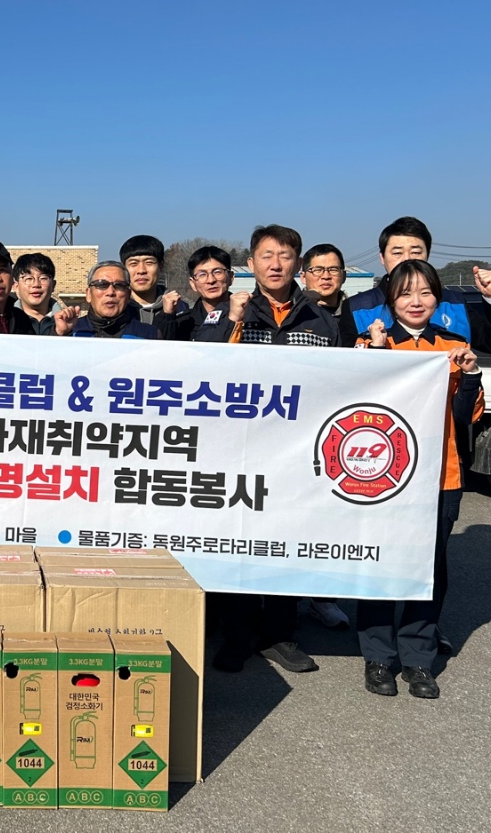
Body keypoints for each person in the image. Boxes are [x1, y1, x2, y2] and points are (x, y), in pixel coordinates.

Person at [356, 260, 483, 700]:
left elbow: (465, 417)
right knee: (378, 561)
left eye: (425, 292)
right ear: (390, 299)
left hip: (440, 475)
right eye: (405, 292)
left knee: (428, 568)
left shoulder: (453, 346)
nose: (416, 301)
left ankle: (418, 658)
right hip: (381, 476)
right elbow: (357, 403)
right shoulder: (372, 343)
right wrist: (374, 356)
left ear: (437, 299)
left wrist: (470, 375)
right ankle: (377, 655)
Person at [216, 224, 340, 676]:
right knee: (237, 543)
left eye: (285, 256)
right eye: (266, 256)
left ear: (298, 264)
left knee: (287, 543)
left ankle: (280, 635)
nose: (275, 264)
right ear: (250, 264)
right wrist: (231, 322)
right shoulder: (234, 313)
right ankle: (238, 635)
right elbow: (202, 367)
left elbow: (341, 384)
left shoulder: (321, 319)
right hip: (240, 452)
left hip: (296, 456)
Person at [341, 216, 491, 354]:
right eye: (397, 252)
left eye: (416, 252)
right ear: (382, 258)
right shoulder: (357, 308)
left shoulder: (455, 303)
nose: (407, 259)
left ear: (427, 255)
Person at [296, 243, 353, 632]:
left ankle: (323, 597)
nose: (325, 276)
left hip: (341, 432)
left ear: (344, 275)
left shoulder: (358, 313)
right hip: (298, 428)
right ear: (305, 275)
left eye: (333, 270)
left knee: (332, 521)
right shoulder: (296, 311)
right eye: (317, 270)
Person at [68, 261, 158, 339]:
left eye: (119, 285)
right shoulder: (70, 331)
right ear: (88, 294)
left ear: (128, 295)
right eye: (102, 285)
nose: (110, 292)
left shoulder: (150, 335)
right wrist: (61, 334)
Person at [120, 235, 185, 340]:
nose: (141, 270)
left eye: (149, 262)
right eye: (133, 263)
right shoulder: (117, 308)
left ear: (161, 266)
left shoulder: (180, 308)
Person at [183, 246, 236, 342]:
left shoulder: (251, 317)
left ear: (231, 277)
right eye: (202, 274)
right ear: (193, 284)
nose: (211, 280)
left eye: (217, 272)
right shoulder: (183, 323)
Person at [13, 252, 68, 335]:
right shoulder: (7, 323)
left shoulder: (68, 323)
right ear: (16, 287)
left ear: (53, 285)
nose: (36, 285)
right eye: (28, 279)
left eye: (43, 278)